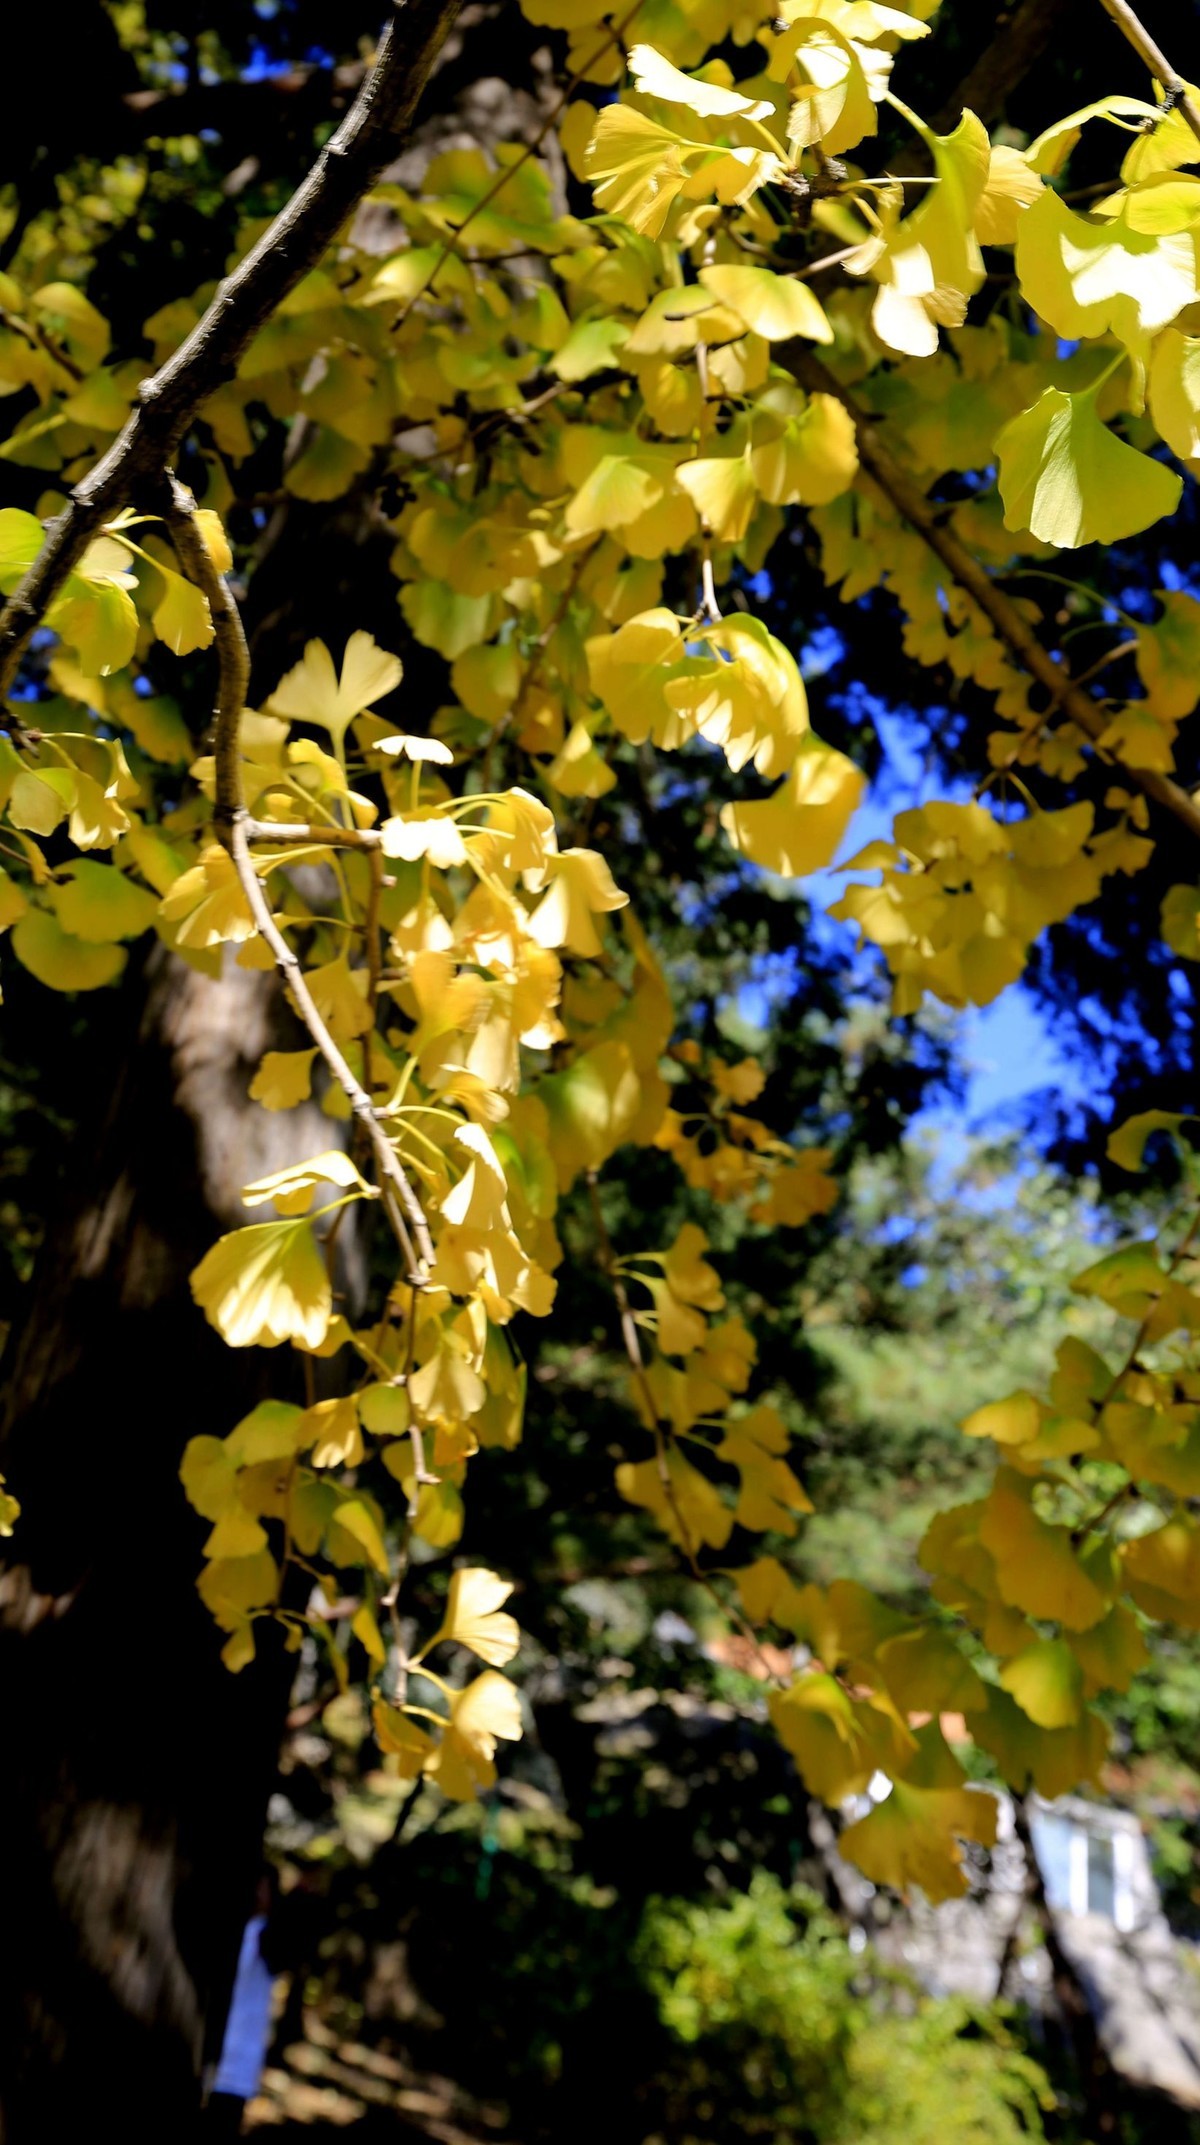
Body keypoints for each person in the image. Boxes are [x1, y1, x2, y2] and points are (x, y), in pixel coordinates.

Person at [206, 1872, 278, 2135]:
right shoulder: (232, 1931)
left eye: (264, 1889)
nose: (257, 1896)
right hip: (211, 2051)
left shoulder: (270, 1937)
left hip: (238, 2060)